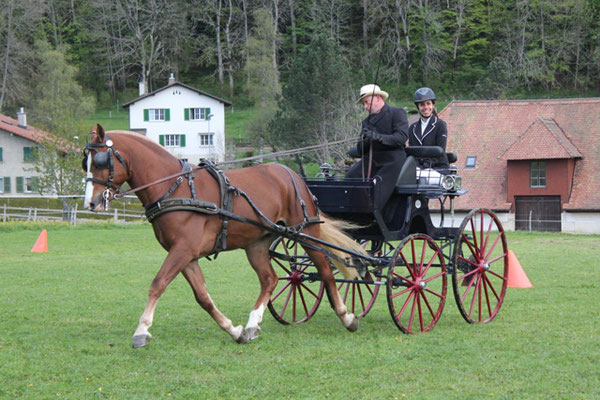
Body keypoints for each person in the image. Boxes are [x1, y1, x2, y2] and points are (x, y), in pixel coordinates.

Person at [346, 84, 408, 208]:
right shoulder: (366, 122)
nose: (365, 107)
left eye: (367, 102)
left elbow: (401, 138)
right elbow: (361, 150)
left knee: (377, 185)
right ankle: (350, 210)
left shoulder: (396, 113)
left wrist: (378, 137)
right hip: (372, 159)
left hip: (393, 159)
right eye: (364, 104)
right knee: (350, 177)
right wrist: (364, 141)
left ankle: (372, 211)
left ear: (378, 98)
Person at [408, 87, 449, 169]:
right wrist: (417, 166)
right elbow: (412, 152)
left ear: (433, 105)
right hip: (418, 169)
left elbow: (440, 151)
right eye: (422, 104)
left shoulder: (440, 125)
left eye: (428, 103)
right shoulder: (412, 128)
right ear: (418, 107)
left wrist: (425, 166)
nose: (426, 107)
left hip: (437, 168)